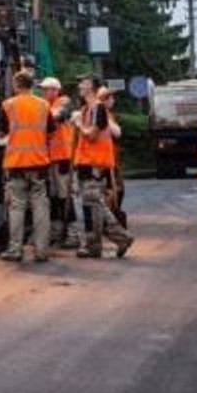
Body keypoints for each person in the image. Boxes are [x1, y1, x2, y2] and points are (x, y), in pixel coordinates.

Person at [0, 71, 55, 262]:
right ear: (32, 85)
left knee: (17, 206)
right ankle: (41, 251)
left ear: (16, 85)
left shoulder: (9, 105)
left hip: (16, 163)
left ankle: (15, 250)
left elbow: (1, 133)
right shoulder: (44, 105)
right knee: (40, 206)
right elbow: (51, 131)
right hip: (39, 163)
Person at [72, 76, 134, 258]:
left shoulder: (98, 109)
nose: (79, 86)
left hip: (94, 163)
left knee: (95, 204)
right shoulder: (87, 109)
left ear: (91, 87)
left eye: (83, 83)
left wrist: (78, 124)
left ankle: (119, 238)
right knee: (92, 206)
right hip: (86, 162)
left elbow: (91, 135)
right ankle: (95, 245)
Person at [41, 77, 80, 249]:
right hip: (51, 158)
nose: (44, 92)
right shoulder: (46, 105)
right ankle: (57, 232)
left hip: (63, 157)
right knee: (54, 197)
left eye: (48, 89)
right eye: (44, 90)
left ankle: (72, 234)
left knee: (65, 196)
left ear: (56, 90)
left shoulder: (64, 102)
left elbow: (59, 115)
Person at [99, 87, 127, 228]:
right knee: (115, 189)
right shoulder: (104, 114)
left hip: (109, 157)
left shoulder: (107, 113)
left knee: (114, 189)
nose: (113, 100)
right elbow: (117, 133)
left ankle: (109, 216)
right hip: (106, 159)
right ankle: (109, 218)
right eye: (110, 98)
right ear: (104, 100)